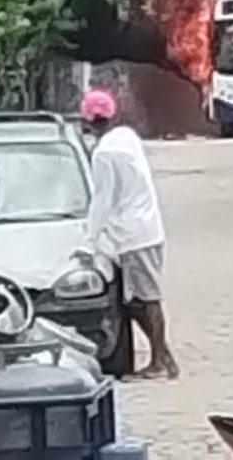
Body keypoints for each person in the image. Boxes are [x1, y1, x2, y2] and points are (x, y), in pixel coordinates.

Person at [76, 87, 179, 380]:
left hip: (133, 235)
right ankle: (164, 356)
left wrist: (89, 241)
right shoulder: (127, 138)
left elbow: (102, 200)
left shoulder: (104, 154)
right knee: (135, 301)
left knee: (146, 299)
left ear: (87, 121)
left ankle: (161, 362)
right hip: (147, 228)